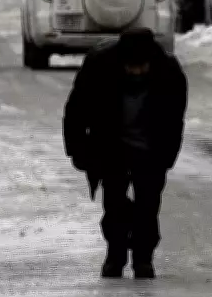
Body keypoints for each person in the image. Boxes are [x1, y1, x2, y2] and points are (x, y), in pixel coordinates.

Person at [63, 28, 188, 278]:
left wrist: (167, 157)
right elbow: (76, 112)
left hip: (151, 149)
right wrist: (77, 151)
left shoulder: (168, 72)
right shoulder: (99, 68)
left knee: (148, 205)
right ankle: (115, 255)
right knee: (114, 204)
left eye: (142, 67)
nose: (137, 72)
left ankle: (143, 258)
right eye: (131, 67)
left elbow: (174, 120)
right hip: (111, 147)